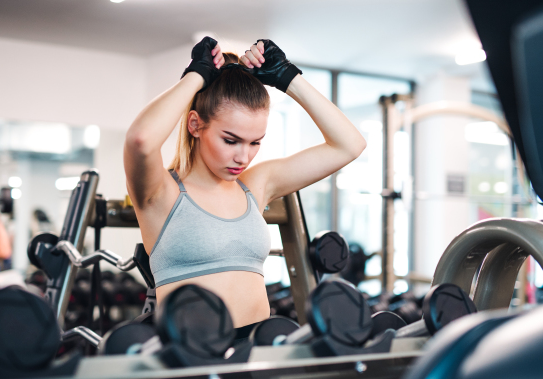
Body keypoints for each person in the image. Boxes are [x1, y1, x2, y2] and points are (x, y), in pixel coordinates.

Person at [124, 37, 366, 341]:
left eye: (255, 143)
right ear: (195, 125)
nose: (243, 156)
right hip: (190, 354)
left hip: (257, 351)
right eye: (230, 140)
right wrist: (194, 77)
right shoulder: (161, 194)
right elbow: (141, 141)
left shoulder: (254, 185)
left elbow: (350, 145)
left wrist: (287, 77)